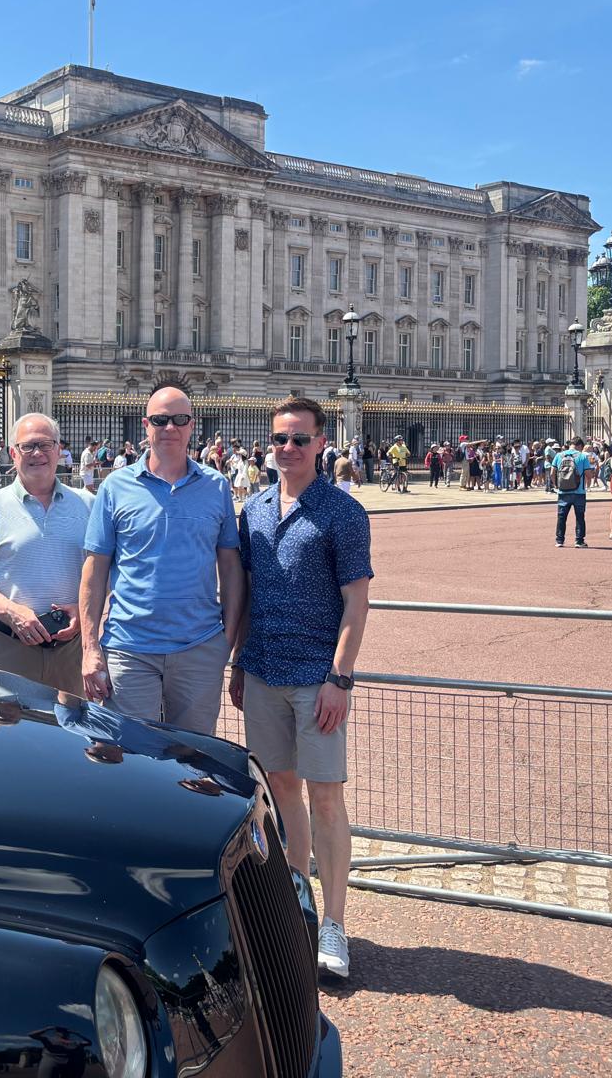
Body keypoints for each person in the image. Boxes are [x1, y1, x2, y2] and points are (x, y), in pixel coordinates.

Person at [230, 397, 372, 978]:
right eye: (279, 439)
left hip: (317, 677)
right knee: (282, 791)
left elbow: (356, 602)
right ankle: (296, 907)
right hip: (263, 669)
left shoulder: (343, 512)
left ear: (320, 444)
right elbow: (247, 593)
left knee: (327, 797)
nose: (286, 448)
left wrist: (340, 677)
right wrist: (238, 663)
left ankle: (334, 924)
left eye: (298, 439)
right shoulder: (254, 509)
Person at [79, 386, 244, 734]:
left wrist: (225, 641)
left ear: (192, 425)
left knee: (193, 756)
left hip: (200, 647)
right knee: (130, 757)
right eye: (160, 420)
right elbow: (94, 570)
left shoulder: (216, 486)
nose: (170, 427)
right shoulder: (114, 487)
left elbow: (230, 568)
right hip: (129, 649)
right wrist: (90, 647)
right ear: (146, 425)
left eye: (180, 419)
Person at [0, 413, 93, 692]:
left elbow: (105, 572)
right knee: (6, 721)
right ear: (13, 453)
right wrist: (11, 611)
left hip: (71, 650)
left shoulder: (88, 504)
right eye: (27, 446)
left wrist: (83, 611)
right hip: (8, 647)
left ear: (58, 449)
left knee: (71, 721)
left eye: (45, 444)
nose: (37, 453)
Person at [553, 435, 593, 547]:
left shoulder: (559, 455)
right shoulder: (582, 456)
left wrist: (556, 485)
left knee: (561, 517)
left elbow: (552, 472)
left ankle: (559, 540)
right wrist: (589, 482)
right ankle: (579, 541)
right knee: (580, 517)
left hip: (563, 491)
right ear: (580, 446)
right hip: (579, 491)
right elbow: (588, 475)